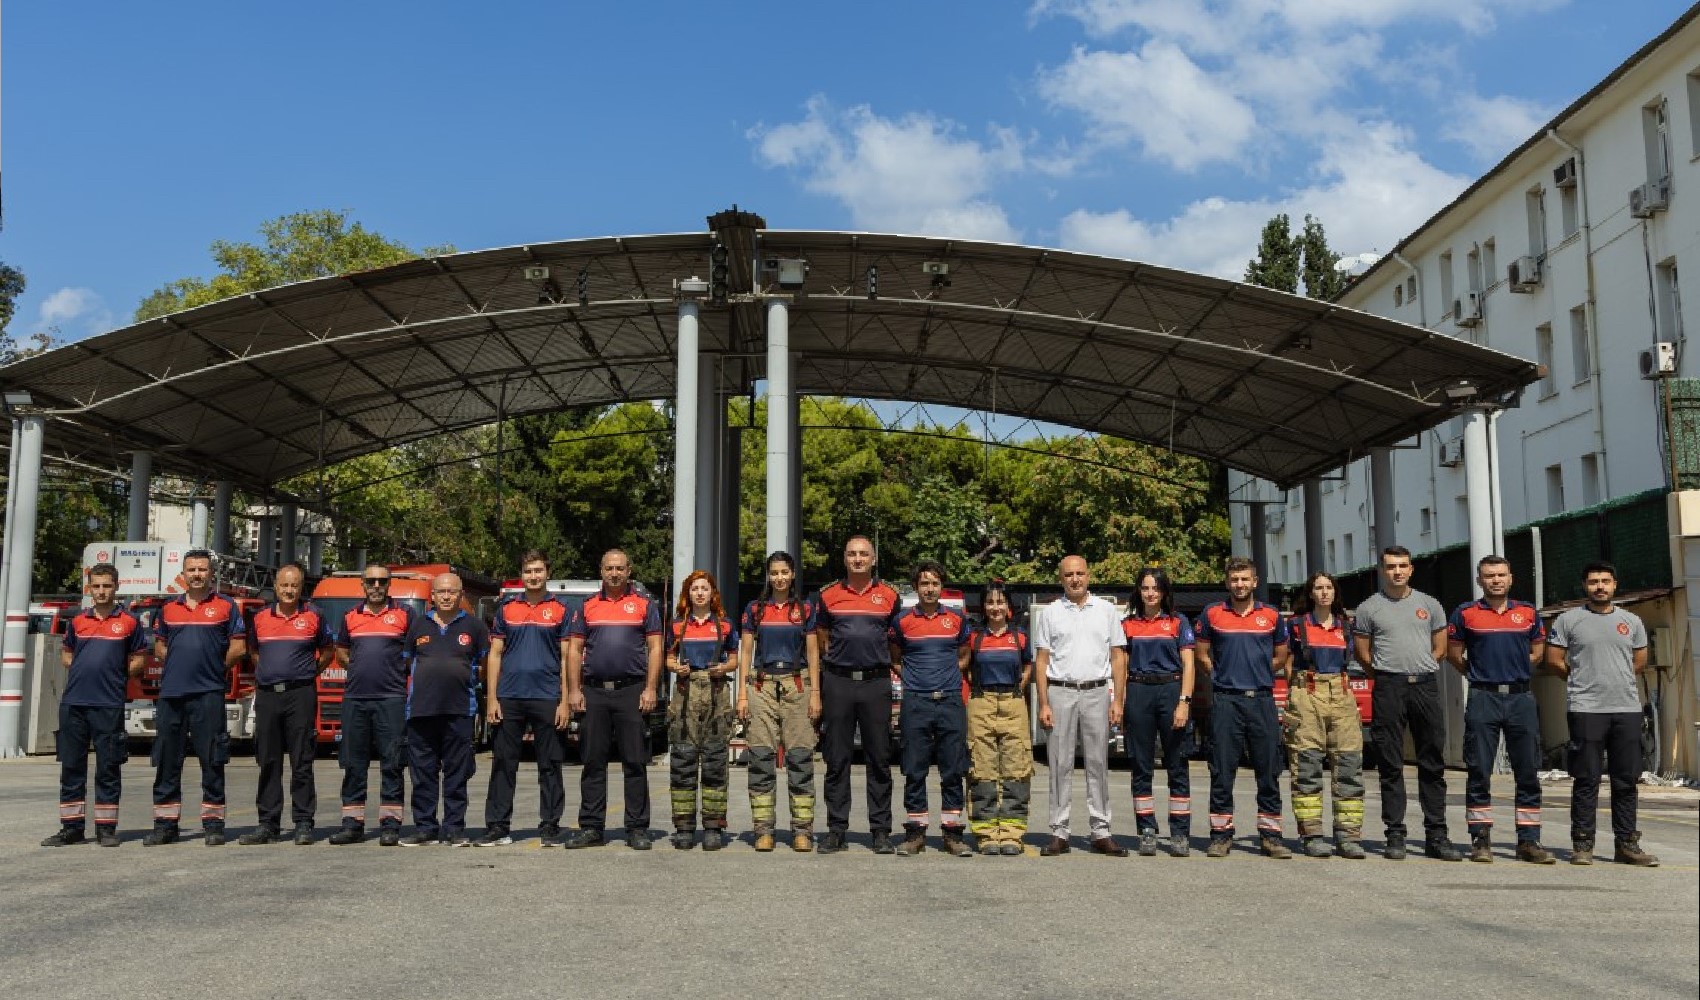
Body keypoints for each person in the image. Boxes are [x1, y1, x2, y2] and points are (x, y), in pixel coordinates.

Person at [1544, 562, 1659, 867]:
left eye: (1605, 581)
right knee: (1586, 778)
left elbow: (1638, 661)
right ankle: (1582, 845)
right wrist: (1583, 680)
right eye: (1593, 581)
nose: (1599, 586)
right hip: (1586, 709)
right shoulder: (1568, 620)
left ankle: (1627, 845)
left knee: (1626, 780)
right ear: (1584, 585)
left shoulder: (1631, 621)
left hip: (1626, 709)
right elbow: (1554, 660)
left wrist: (1613, 679)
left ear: (1614, 585)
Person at [1353, 545, 1461, 861]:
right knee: (1390, 762)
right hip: (1388, 687)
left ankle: (1437, 835)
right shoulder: (1368, 608)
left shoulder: (1430, 605)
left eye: (1402, 566)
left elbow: (1440, 648)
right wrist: (1388, 673)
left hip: (1424, 686)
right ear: (1382, 571)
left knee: (1432, 762)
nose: (1397, 571)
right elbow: (1363, 652)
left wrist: (1418, 668)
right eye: (1390, 566)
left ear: (1411, 569)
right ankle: (1395, 834)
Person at [1447, 555, 1552, 864]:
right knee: (1479, 769)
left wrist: (1515, 671)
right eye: (1489, 575)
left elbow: (1537, 652)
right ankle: (1480, 839)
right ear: (1480, 580)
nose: (1495, 580)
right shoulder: (1465, 614)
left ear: (1511, 578)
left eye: (1501, 575)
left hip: (1521, 698)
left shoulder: (1528, 613)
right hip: (1483, 698)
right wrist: (1482, 675)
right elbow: (1454, 655)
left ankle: (1529, 841)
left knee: (1528, 771)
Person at [563, 548, 663, 850]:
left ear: (629, 570)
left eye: (620, 568)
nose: (614, 573)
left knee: (635, 761)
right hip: (593, 692)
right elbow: (574, 650)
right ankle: (592, 827)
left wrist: (650, 688)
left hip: (632, 691)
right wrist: (573, 690)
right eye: (609, 568)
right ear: (601, 570)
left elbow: (656, 649)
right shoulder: (587, 606)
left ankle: (637, 828)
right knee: (593, 761)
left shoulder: (645, 605)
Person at [41, 562, 146, 848]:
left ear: (116, 587)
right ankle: (71, 829)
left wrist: (115, 674)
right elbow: (66, 655)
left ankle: (106, 829)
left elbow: (139, 659)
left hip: (108, 704)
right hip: (74, 703)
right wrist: (84, 669)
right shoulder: (77, 621)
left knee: (108, 767)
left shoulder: (129, 622)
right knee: (71, 767)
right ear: (89, 589)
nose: (101, 591)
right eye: (96, 586)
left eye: (107, 586)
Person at [147, 549, 246, 846]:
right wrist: (178, 664)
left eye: (202, 569)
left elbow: (239, 648)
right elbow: (160, 647)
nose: (197, 575)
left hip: (208, 694)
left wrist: (215, 670)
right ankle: (165, 825)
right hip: (172, 694)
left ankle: (214, 824)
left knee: (212, 758)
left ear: (211, 572)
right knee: (167, 759)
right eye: (192, 570)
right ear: (184, 573)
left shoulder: (226, 606)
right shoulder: (167, 608)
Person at [1195, 556, 1290, 859]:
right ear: (1227, 583)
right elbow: (1202, 655)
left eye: (1245, 579)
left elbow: (1281, 656)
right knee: (1222, 769)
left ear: (1255, 582)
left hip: (1262, 698)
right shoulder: (1212, 614)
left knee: (1268, 769)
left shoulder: (1272, 616)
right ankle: (1221, 835)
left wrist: (1259, 672)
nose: (1240, 584)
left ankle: (1271, 836)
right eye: (1234, 580)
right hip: (1226, 700)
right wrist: (1223, 675)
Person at [814, 535, 904, 855]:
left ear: (873, 559)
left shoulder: (890, 596)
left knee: (879, 758)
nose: (857, 559)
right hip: (838, 682)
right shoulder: (828, 596)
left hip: (875, 683)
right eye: (851, 554)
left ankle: (880, 830)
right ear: (844, 559)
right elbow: (823, 639)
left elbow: (896, 641)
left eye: (863, 554)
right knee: (836, 758)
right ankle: (836, 829)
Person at [1033, 555, 1128, 857]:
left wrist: (1118, 700)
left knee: (1098, 763)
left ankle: (1101, 830)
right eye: (1068, 575)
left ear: (1089, 576)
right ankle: (1059, 832)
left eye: (1080, 574)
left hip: (1096, 692)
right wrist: (1044, 702)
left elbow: (1118, 658)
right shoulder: (1049, 613)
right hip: (1060, 692)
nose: (1075, 579)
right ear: (1061, 578)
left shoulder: (1106, 611)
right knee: (1059, 763)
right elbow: (1042, 661)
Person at [478, 550, 572, 847]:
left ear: (548, 573)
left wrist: (565, 700)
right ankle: (497, 825)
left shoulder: (561, 610)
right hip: (509, 696)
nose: (534, 576)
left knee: (550, 763)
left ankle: (550, 824)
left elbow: (568, 657)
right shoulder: (506, 610)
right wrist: (492, 698)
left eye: (539, 570)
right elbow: (494, 655)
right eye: (529, 571)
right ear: (522, 573)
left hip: (548, 697)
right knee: (504, 763)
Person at [239, 564, 334, 846]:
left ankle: (304, 822)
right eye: (284, 585)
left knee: (301, 760)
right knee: (268, 759)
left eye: (294, 586)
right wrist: (272, 672)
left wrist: (305, 674)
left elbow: (328, 651)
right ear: (275, 586)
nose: (289, 591)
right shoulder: (259, 618)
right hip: (268, 695)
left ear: (301, 587)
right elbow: (254, 652)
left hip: (300, 694)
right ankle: (268, 824)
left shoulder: (314, 616)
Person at [736, 551, 821, 853]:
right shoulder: (755, 609)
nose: (779, 578)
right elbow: (746, 653)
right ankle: (763, 830)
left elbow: (813, 653)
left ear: (793, 574)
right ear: (768, 576)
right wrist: (742, 694)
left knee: (800, 759)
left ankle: (802, 831)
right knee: (760, 759)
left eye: (785, 572)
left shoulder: (805, 608)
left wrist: (815, 694)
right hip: (761, 686)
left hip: (798, 686)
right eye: (774, 573)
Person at [888, 560, 973, 857]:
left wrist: (946, 674)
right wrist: (915, 678)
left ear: (942, 587)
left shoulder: (957, 619)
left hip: (950, 700)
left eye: (935, 583)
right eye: (924, 583)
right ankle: (915, 834)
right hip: (916, 702)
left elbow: (964, 656)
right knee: (914, 768)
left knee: (953, 768)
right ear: (916, 587)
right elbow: (895, 658)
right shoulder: (901, 621)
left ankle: (952, 834)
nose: (929, 589)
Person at [329, 563, 416, 847]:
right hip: (355, 698)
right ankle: (352, 825)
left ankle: (390, 825)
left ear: (389, 584)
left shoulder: (406, 614)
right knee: (354, 764)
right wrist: (355, 668)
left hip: (391, 698)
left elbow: (414, 652)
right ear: (362, 585)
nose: (376, 586)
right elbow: (341, 651)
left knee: (393, 762)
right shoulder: (350, 616)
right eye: (371, 581)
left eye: (382, 581)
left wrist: (395, 670)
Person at [400, 573, 489, 846]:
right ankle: (425, 827)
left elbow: (485, 666)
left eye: (452, 592)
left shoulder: (474, 626)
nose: (447, 596)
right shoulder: (418, 625)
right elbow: (407, 663)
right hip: (421, 710)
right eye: (441, 592)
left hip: (460, 710)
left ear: (461, 595)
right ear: (433, 596)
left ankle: (453, 828)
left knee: (456, 773)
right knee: (423, 773)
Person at [1284, 571, 1366, 859]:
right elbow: (1286, 663)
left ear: (1335, 592)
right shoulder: (1295, 626)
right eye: (1318, 588)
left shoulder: (1346, 626)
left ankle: (1348, 836)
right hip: (1307, 692)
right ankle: (1312, 835)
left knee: (1349, 764)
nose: (1324, 593)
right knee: (1306, 766)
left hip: (1341, 694)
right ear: (1310, 593)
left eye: (1329, 587)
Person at [1118, 567, 1196, 858]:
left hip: (1171, 690)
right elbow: (1121, 666)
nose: (1150, 593)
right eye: (1145, 588)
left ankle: (1179, 832)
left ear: (1164, 592)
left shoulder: (1178, 622)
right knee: (1141, 766)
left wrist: (1184, 701)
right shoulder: (1126, 625)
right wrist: (1121, 703)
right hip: (1139, 692)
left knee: (1177, 765)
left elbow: (1189, 664)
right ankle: (1146, 830)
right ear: (1138, 591)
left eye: (1156, 588)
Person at [665, 570, 739, 850]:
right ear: (688, 593)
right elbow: (668, 658)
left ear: (712, 594)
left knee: (715, 763)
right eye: (694, 588)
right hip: (685, 694)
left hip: (717, 692)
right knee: (682, 762)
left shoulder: (725, 625)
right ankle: (684, 827)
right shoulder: (676, 626)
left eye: (704, 589)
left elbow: (734, 659)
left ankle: (713, 827)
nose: (699, 593)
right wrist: (675, 667)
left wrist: (724, 668)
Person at [965, 583, 1034, 856]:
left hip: (1013, 703)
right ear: (983, 607)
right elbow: (964, 665)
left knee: (1016, 768)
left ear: (1009, 607)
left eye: (1000, 602)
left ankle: (1012, 834)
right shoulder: (974, 638)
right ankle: (985, 834)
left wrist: (1022, 682)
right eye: (990, 603)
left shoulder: (1020, 637)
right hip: (981, 703)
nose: (995, 608)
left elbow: (1029, 665)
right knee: (982, 769)